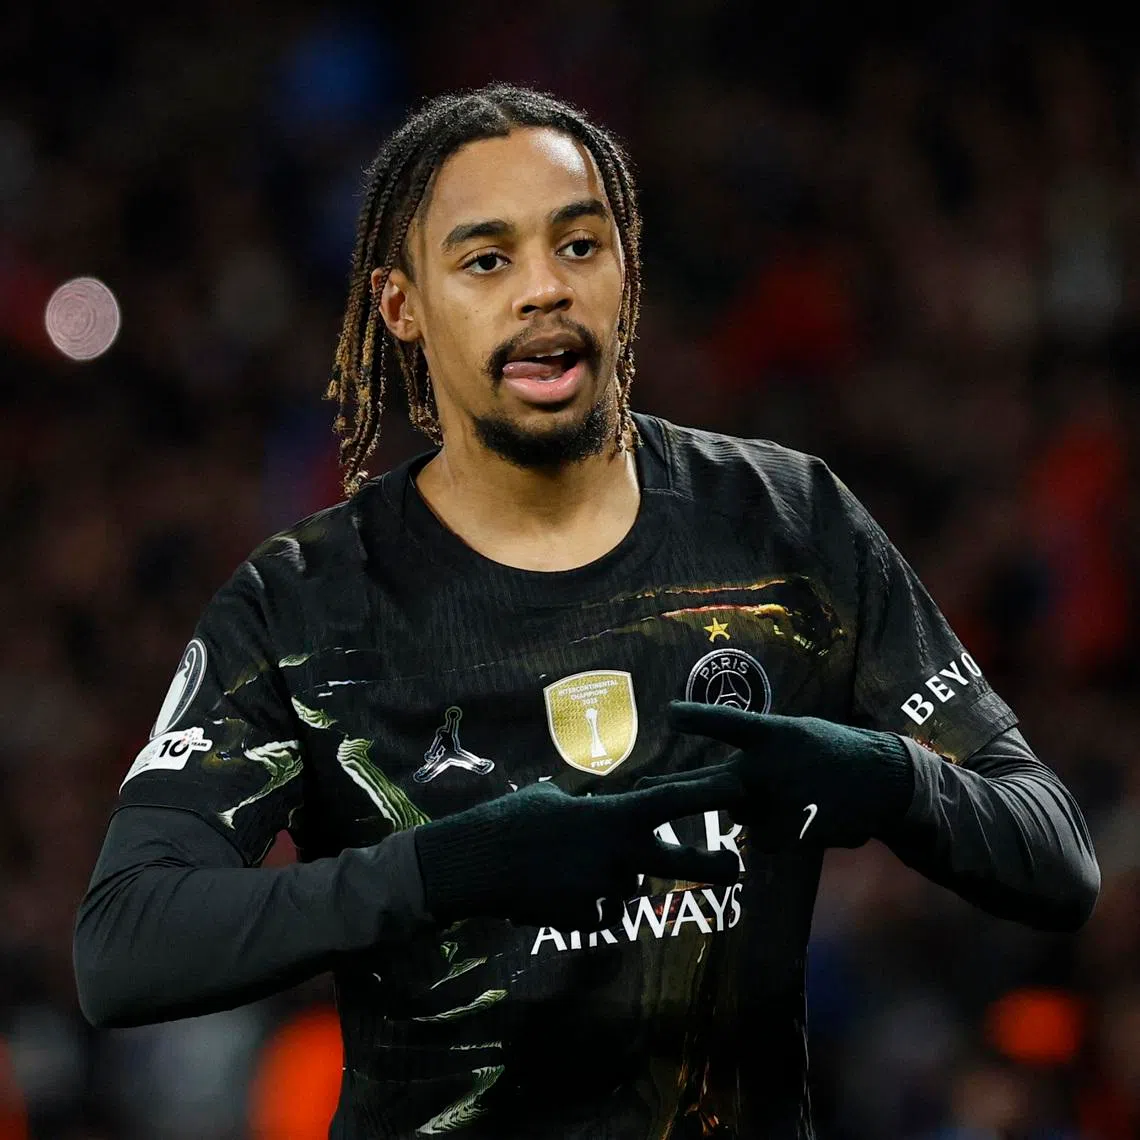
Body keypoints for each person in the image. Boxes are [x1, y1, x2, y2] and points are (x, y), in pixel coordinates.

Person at [73, 84, 1099, 1140]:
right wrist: (446, 869)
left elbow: (1055, 854)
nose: (543, 291)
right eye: (487, 259)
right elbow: (126, 944)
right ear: (401, 306)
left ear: (626, 277)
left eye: (579, 245)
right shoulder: (303, 601)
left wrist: (892, 783)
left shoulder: (789, 526)